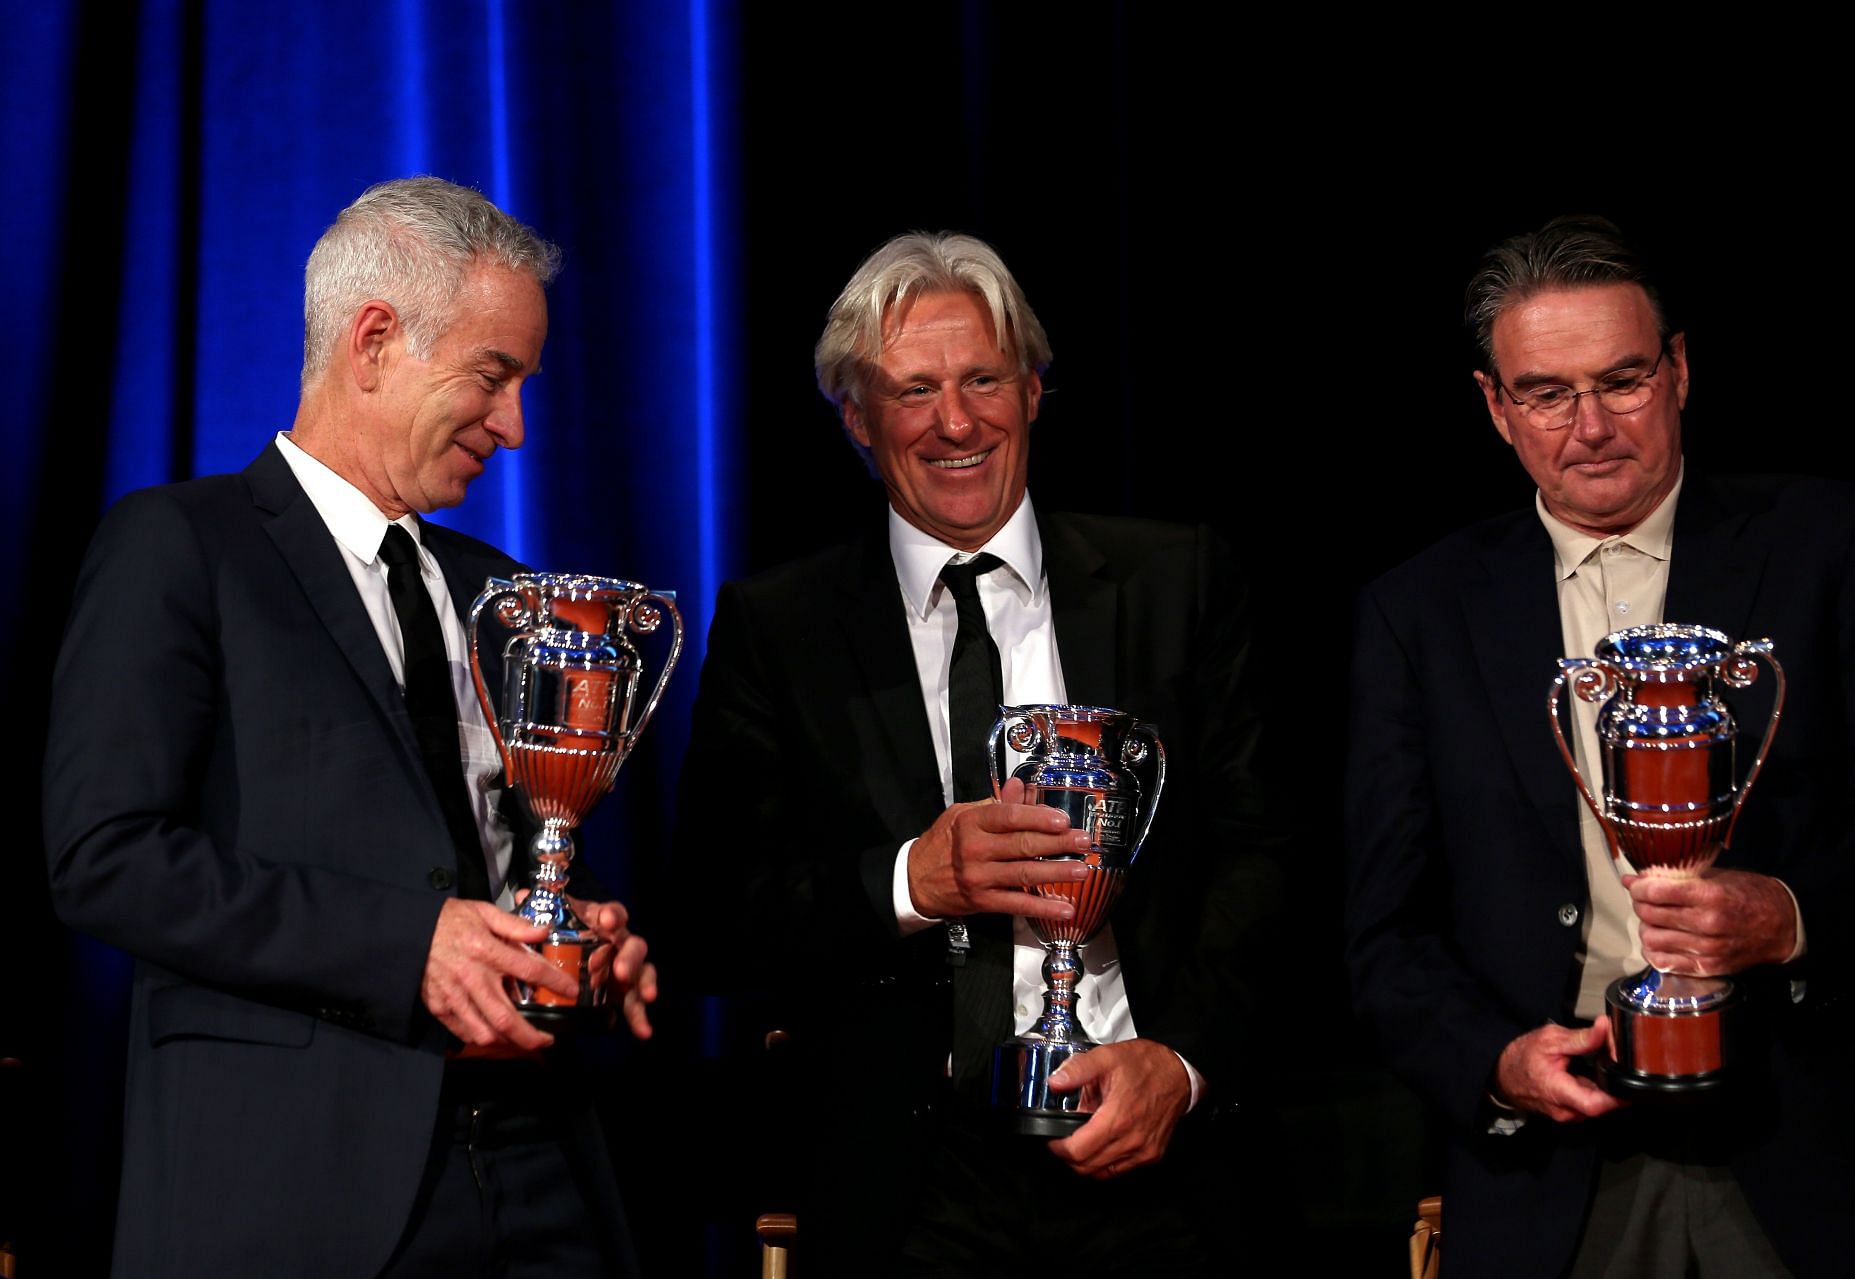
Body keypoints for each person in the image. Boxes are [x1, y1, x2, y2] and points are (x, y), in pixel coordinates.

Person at [43, 177, 656, 1278]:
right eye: (493, 375)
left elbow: (507, 863)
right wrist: (408, 945)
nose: (515, 427)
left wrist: (576, 945)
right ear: (375, 340)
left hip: (540, 1174)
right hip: (295, 1192)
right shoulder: (183, 547)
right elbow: (105, 857)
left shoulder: (503, 596)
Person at [674, 231, 1281, 1273]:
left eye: (984, 378)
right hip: (912, 1189)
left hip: (1159, 1163)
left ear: (1036, 390)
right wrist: (918, 877)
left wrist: (1178, 1066)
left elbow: (1266, 853)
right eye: (913, 390)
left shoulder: (1177, 581)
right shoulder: (781, 626)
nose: (956, 421)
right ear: (857, 421)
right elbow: (718, 914)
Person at [1345, 215, 1855, 1277]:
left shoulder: (1833, 546)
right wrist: (1497, 1064)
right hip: (1551, 1179)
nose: (1591, 425)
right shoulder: (1417, 613)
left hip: (1808, 1152)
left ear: (1681, 371)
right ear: (1495, 408)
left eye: (1623, 381)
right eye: (1548, 393)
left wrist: (1787, 915)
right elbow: (1386, 930)